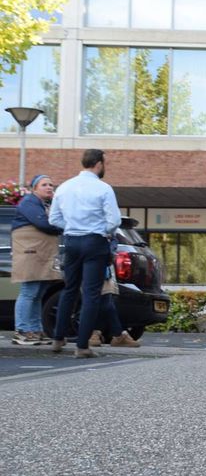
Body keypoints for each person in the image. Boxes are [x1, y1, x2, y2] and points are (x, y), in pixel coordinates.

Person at [48, 149, 122, 358]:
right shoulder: (103, 188)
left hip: (71, 241)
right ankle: (82, 346)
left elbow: (54, 219)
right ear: (99, 164)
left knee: (69, 289)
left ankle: (58, 338)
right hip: (95, 242)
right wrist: (104, 232)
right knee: (90, 294)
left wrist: (71, 226)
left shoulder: (64, 187)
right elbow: (114, 221)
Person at [10, 174, 61, 345]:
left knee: (38, 294)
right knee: (29, 292)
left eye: (51, 184)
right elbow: (44, 224)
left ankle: (36, 330)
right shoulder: (29, 203)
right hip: (30, 254)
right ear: (34, 189)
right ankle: (22, 330)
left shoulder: (44, 205)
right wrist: (62, 225)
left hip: (40, 255)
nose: (49, 187)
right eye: (44, 184)